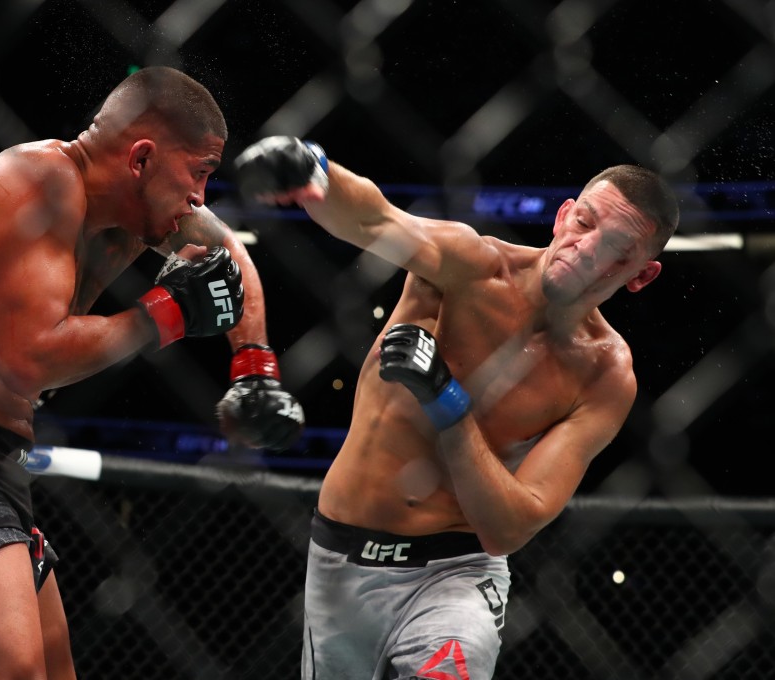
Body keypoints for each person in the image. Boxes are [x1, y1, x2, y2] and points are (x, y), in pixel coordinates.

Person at [0, 67, 303, 680]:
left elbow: (232, 258)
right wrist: (164, 315)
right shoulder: (37, 179)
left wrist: (254, 368)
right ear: (142, 157)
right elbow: (27, 359)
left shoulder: (137, 218)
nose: (201, 194)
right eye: (198, 171)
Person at [234, 137, 679, 680]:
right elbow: (373, 219)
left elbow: (510, 528)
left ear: (641, 274)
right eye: (585, 223)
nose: (587, 251)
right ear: (563, 216)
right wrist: (314, 169)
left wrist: (448, 402)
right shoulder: (471, 265)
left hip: (458, 572)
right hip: (341, 561)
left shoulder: (605, 374)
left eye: (617, 249)